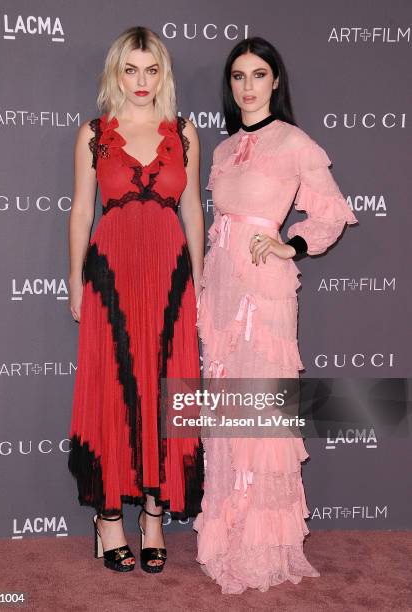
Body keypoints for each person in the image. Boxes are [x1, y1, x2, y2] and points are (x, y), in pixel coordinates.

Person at [193, 37, 358, 594]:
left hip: (264, 289)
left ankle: (261, 548)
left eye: (258, 75)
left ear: (275, 82)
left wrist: (294, 244)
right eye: (238, 76)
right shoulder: (220, 150)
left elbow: (331, 211)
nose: (247, 86)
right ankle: (228, 536)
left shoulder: (295, 143)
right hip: (221, 287)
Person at [67, 26, 204, 574]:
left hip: (171, 276)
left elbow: (193, 210)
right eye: (131, 69)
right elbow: (81, 211)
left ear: (163, 74)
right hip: (111, 277)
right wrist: (74, 281)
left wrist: (203, 278)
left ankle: (153, 517)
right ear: (116, 73)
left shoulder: (185, 132)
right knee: (113, 388)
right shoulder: (95, 134)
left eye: (151, 70)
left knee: (163, 390)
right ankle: (107, 521)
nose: (141, 81)